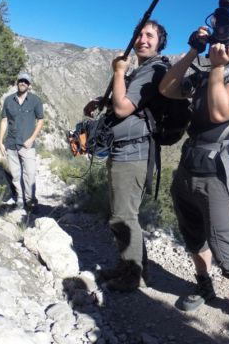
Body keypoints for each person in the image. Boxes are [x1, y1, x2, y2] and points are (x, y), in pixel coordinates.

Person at [159, 23, 229, 337]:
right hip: (188, 168)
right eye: (218, 36)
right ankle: (205, 286)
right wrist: (194, 49)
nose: (222, 41)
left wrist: (219, 68)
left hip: (219, 175)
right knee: (193, 234)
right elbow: (167, 88)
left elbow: (221, 111)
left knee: (227, 246)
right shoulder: (204, 75)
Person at [85, 20, 169, 292]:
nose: (142, 39)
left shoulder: (153, 70)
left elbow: (123, 109)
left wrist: (119, 71)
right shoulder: (143, 70)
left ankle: (133, 276)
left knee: (123, 216)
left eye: (149, 35)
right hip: (126, 151)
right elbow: (127, 103)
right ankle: (129, 265)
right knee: (122, 213)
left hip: (134, 153)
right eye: (139, 34)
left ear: (159, 42)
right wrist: (102, 101)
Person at [0, 72, 44, 211]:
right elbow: (4, 120)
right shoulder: (8, 100)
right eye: (20, 81)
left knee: (29, 174)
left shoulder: (35, 100)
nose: (22, 83)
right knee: (16, 175)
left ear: (29, 85)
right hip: (11, 143)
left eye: (25, 81)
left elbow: (40, 120)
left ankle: (31, 202)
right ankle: (19, 200)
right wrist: (0, 141)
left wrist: (31, 139)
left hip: (27, 145)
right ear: (17, 83)